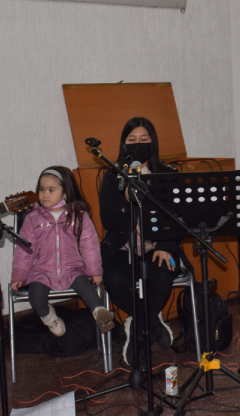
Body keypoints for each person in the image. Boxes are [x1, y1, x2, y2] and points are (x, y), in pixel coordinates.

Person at [98, 117, 182, 364]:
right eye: (131, 140)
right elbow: (109, 221)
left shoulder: (167, 174)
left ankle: (137, 334)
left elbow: (177, 219)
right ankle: (150, 320)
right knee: (113, 278)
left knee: (162, 273)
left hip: (157, 246)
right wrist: (125, 200)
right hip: (121, 247)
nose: (138, 144)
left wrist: (166, 248)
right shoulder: (113, 175)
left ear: (153, 143)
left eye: (144, 139)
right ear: (123, 145)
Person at [11, 167, 115, 337]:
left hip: (73, 268)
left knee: (85, 286)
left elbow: (90, 246)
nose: (45, 194)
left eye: (51, 190)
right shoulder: (33, 218)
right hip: (42, 271)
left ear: (65, 192)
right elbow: (24, 250)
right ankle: (49, 318)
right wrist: (19, 275)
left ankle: (100, 312)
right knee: (35, 296)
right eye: (42, 189)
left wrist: (94, 271)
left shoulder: (79, 216)